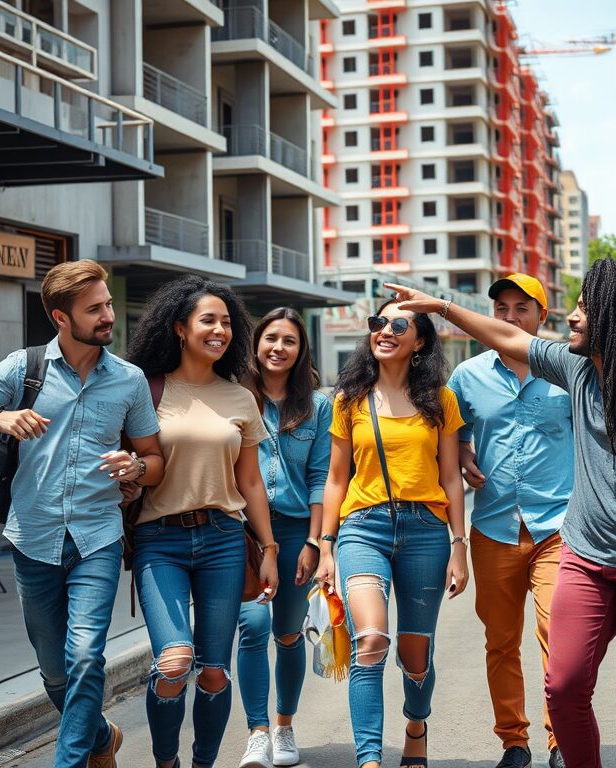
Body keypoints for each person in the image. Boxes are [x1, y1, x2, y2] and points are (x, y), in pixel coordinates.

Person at [385, 257, 616, 768]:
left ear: (614, 318)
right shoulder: (574, 367)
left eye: (585, 308)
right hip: (582, 551)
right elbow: (506, 340)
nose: (574, 317)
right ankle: (526, 744)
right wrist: (442, 306)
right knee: (563, 686)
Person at [0, 260, 164, 768]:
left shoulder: (128, 381)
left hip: (97, 537)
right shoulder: (24, 368)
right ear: (62, 317)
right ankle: (101, 738)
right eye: (95, 309)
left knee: (86, 657)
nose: (108, 316)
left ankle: (70, 761)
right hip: (33, 537)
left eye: (107, 304)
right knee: (56, 673)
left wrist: (135, 465)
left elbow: (155, 461)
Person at [125, 276, 280, 768]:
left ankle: (203, 764)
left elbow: (251, 482)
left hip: (224, 540)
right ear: (179, 328)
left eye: (227, 322)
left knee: (214, 672)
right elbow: (131, 463)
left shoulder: (240, 397)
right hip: (159, 539)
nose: (220, 330)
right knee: (173, 663)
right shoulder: (144, 390)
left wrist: (270, 549)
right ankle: (166, 761)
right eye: (207, 320)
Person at [315, 299, 469, 768]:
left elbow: (450, 479)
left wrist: (459, 546)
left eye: (398, 324)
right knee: (372, 639)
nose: (384, 330)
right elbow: (336, 478)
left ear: (419, 341)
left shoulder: (440, 400)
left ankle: (416, 724)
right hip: (364, 528)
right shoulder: (348, 400)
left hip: (426, 531)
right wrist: (325, 546)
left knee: (415, 654)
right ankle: (369, 759)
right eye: (377, 322)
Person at [446, 274, 573, 768]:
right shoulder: (467, 375)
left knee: (558, 638)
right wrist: (460, 451)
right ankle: (514, 743)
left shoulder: (568, 370)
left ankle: (561, 741)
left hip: (558, 526)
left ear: (543, 315)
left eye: (522, 308)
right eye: (501, 308)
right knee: (500, 642)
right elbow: (450, 435)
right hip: (494, 527)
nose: (510, 317)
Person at [234, 308, 332, 768]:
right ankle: (256, 733)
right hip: (244, 531)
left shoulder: (317, 405)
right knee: (252, 629)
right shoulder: (234, 396)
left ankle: (284, 725)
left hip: (295, 531)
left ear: (301, 350)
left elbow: (320, 477)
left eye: (289, 341)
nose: (278, 347)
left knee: (289, 633)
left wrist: (315, 542)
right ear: (256, 344)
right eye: (270, 338)